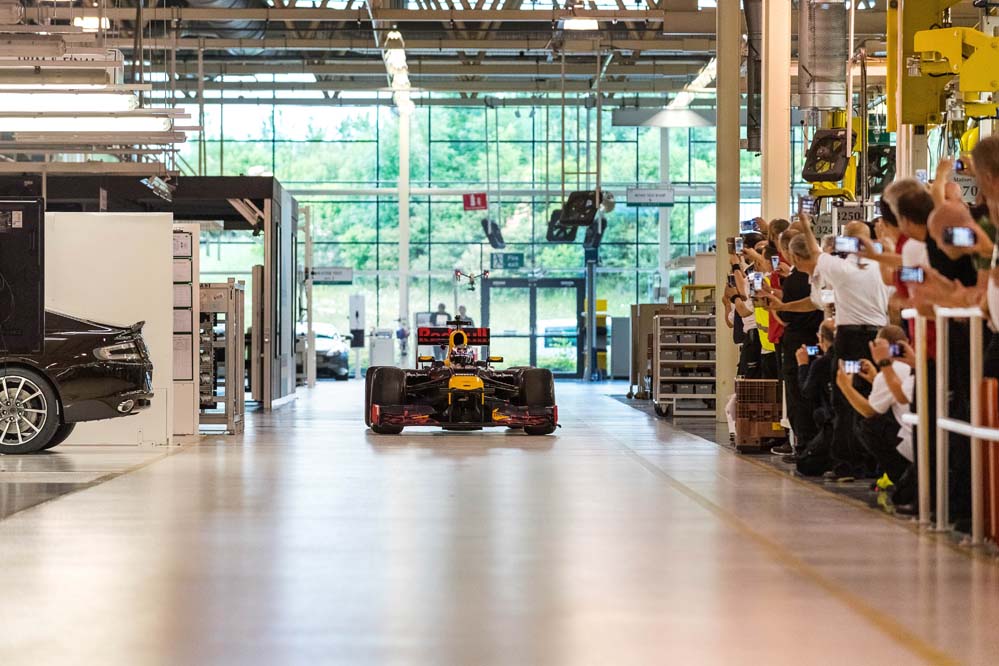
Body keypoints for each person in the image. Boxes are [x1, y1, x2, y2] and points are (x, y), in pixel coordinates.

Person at [796, 214, 890, 480]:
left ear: (845, 242)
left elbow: (814, 252)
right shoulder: (883, 268)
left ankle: (846, 464)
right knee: (873, 393)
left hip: (849, 341)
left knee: (845, 399)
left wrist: (806, 226)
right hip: (876, 340)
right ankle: (874, 463)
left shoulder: (840, 268)